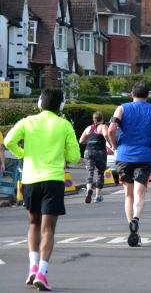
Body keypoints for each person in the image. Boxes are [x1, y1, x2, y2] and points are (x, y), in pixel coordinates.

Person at [4, 88, 81, 291]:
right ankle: (42, 273)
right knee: (48, 230)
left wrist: (22, 153)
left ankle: (32, 267)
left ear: (40, 103)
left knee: (33, 224)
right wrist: (61, 151)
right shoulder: (64, 125)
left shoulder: (27, 121)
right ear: (61, 106)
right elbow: (74, 157)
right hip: (53, 180)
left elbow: (7, 141)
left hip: (29, 179)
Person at [108, 81, 151, 248]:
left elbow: (111, 129)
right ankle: (136, 219)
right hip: (144, 155)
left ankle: (131, 228)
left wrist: (115, 144)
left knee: (128, 194)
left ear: (132, 94)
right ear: (147, 96)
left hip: (124, 155)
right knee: (140, 193)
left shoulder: (122, 108)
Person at [78, 111, 108, 203]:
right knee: (100, 172)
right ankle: (98, 195)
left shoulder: (88, 128)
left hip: (88, 151)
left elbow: (81, 141)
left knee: (90, 171)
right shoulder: (103, 127)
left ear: (93, 119)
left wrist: (90, 141)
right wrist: (109, 142)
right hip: (100, 151)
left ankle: (88, 189)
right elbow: (106, 134)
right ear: (102, 119)